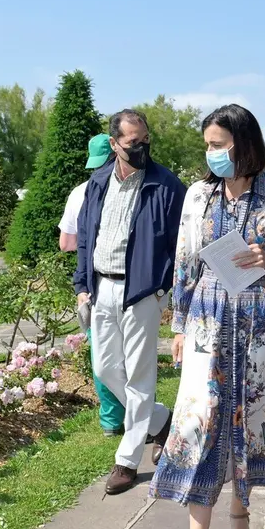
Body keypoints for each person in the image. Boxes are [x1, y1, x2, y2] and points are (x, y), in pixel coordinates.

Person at [149, 104, 265, 529]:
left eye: (219, 144)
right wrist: (178, 325)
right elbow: (183, 262)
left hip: (260, 323)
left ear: (244, 143)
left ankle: (240, 519)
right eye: (208, 145)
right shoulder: (199, 195)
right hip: (206, 319)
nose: (212, 153)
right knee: (201, 423)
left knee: (249, 419)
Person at [74, 109, 186, 495]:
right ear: (114, 144)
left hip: (142, 292)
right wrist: (81, 285)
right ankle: (161, 421)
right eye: (132, 142)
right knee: (105, 369)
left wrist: (166, 289)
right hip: (101, 287)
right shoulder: (98, 182)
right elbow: (87, 236)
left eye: (145, 140)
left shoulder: (166, 185)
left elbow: (181, 245)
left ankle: (127, 459)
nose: (141, 147)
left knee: (139, 377)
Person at [57, 133, 125, 437]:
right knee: (130, 356)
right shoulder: (126, 190)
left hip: (91, 282)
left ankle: (111, 420)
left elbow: (65, 244)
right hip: (120, 281)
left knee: (102, 353)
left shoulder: (79, 192)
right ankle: (140, 416)